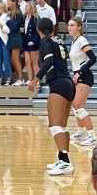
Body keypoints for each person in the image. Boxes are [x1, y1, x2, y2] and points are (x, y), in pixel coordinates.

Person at [28, 17, 75, 175]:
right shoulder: (59, 40)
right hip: (69, 84)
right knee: (62, 125)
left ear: (38, 30)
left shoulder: (44, 41)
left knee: (55, 125)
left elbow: (48, 63)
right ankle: (63, 159)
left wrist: (35, 80)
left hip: (59, 84)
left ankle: (65, 162)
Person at [67, 17, 97, 146]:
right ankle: (81, 131)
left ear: (79, 27)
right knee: (75, 106)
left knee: (79, 106)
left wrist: (79, 72)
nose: (69, 27)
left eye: (72, 25)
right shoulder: (74, 42)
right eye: (68, 25)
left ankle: (92, 135)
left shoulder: (81, 41)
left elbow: (93, 59)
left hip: (85, 76)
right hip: (77, 76)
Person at [6, 0, 25, 85]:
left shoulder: (17, 14)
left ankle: (20, 79)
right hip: (12, 38)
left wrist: (7, 21)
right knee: (12, 59)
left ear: (13, 2)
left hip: (16, 38)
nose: (7, 3)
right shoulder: (12, 14)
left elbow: (13, 28)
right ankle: (19, 78)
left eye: (9, 1)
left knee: (16, 59)